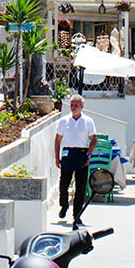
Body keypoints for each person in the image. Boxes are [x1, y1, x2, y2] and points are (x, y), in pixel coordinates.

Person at [54, 94, 97, 230]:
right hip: (67, 154)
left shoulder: (88, 121)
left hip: (81, 154)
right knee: (64, 183)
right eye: (72, 105)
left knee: (81, 186)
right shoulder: (64, 121)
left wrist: (88, 155)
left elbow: (93, 139)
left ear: (82, 107)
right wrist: (57, 156)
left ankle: (77, 214)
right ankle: (64, 205)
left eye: (76, 105)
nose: (73, 107)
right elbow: (58, 139)